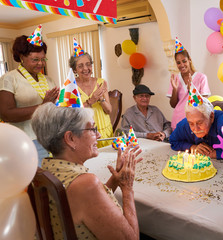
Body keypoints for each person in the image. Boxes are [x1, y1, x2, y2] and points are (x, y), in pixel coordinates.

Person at [31, 102, 142, 240]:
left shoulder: (47, 168)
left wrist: (116, 179)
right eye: (93, 129)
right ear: (71, 139)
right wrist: (127, 189)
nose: (99, 135)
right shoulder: (86, 184)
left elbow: (89, 205)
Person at [0, 25, 59, 165]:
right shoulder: (9, 78)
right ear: (21, 57)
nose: (40, 63)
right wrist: (42, 106)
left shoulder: (48, 80)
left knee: (51, 182)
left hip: (50, 138)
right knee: (34, 184)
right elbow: (6, 114)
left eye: (43, 59)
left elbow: (54, 109)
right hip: (25, 141)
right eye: (35, 59)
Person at [169, 85, 223, 161]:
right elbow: (173, 141)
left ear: (211, 117)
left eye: (199, 122)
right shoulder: (184, 125)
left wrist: (216, 154)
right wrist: (192, 147)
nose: (195, 129)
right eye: (191, 123)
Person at [69, 39, 113, 148]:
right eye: (80, 66)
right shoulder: (71, 87)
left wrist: (100, 99)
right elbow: (72, 114)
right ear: (74, 70)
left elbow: (109, 110)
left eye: (88, 64)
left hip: (105, 131)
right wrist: (91, 101)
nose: (85, 69)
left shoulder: (101, 82)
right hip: (85, 133)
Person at [167, 37, 211, 130]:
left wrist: (191, 90)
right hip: (177, 121)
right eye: (178, 63)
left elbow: (203, 104)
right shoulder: (175, 78)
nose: (182, 65)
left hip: (195, 122)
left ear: (189, 60)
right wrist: (175, 90)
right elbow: (173, 105)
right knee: (179, 144)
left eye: (184, 61)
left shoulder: (201, 78)